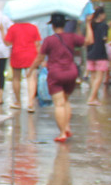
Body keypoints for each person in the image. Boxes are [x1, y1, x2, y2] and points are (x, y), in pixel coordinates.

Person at [35, 12, 85, 142]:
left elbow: (40, 57)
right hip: (71, 73)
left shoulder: (49, 40)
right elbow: (88, 41)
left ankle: (62, 133)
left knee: (59, 104)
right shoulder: (72, 37)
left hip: (56, 74)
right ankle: (67, 127)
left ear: (52, 25)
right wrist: (88, 24)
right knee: (66, 101)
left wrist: (31, 69)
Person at [5, 17, 42, 111]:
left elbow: (8, 43)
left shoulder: (13, 28)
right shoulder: (33, 27)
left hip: (17, 54)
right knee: (31, 78)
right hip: (31, 55)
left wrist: (2, 31)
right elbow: (37, 44)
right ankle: (30, 103)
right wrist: (40, 58)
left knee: (16, 78)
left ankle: (18, 102)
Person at [85, 7, 111, 106]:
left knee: (93, 76)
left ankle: (95, 97)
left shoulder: (90, 25)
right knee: (99, 77)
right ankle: (92, 98)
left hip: (90, 53)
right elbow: (105, 38)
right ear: (101, 15)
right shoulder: (104, 25)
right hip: (100, 53)